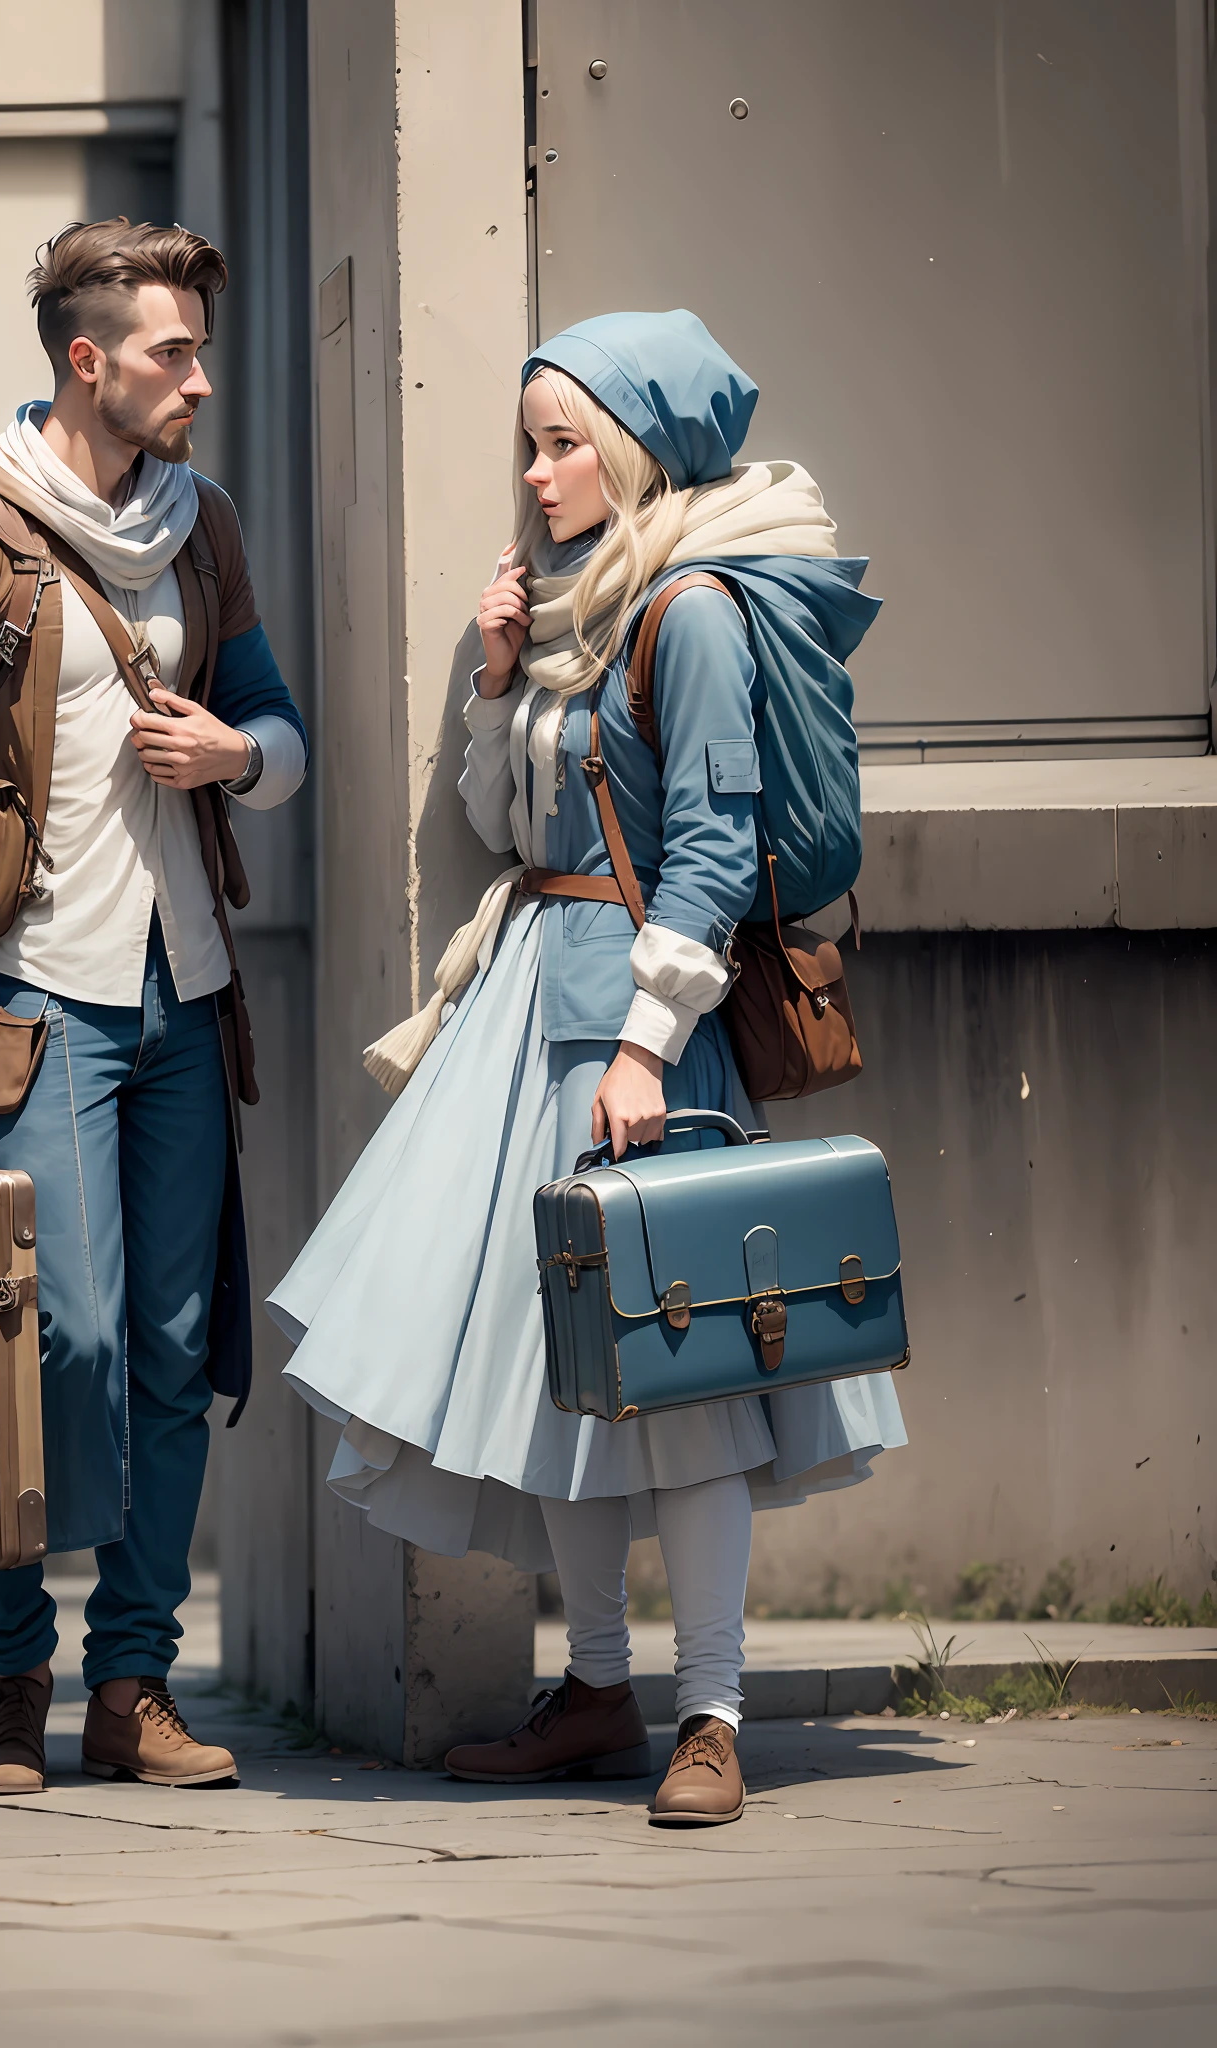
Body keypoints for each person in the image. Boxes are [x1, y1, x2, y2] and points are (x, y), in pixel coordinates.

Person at [269, 311, 905, 1827]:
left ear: (634, 453)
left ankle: (710, 1712)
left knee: (679, 1390)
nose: (540, 474)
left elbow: (706, 849)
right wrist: (496, 678)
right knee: (560, 1377)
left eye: (568, 444)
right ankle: (601, 1692)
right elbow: (513, 828)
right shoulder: (575, 616)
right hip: (524, 1026)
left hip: (632, 1040)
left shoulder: (687, 613)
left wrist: (642, 1049)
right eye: (531, 444)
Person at [0, 219, 307, 1795]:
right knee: (43, 1345)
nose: (200, 381)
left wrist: (239, 761)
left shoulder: (202, 525)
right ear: (86, 360)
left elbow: (281, 728)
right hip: (35, 1001)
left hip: (186, 998)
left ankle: (134, 1684)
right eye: (173, 354)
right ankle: (13, 1673)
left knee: (171, 1350)